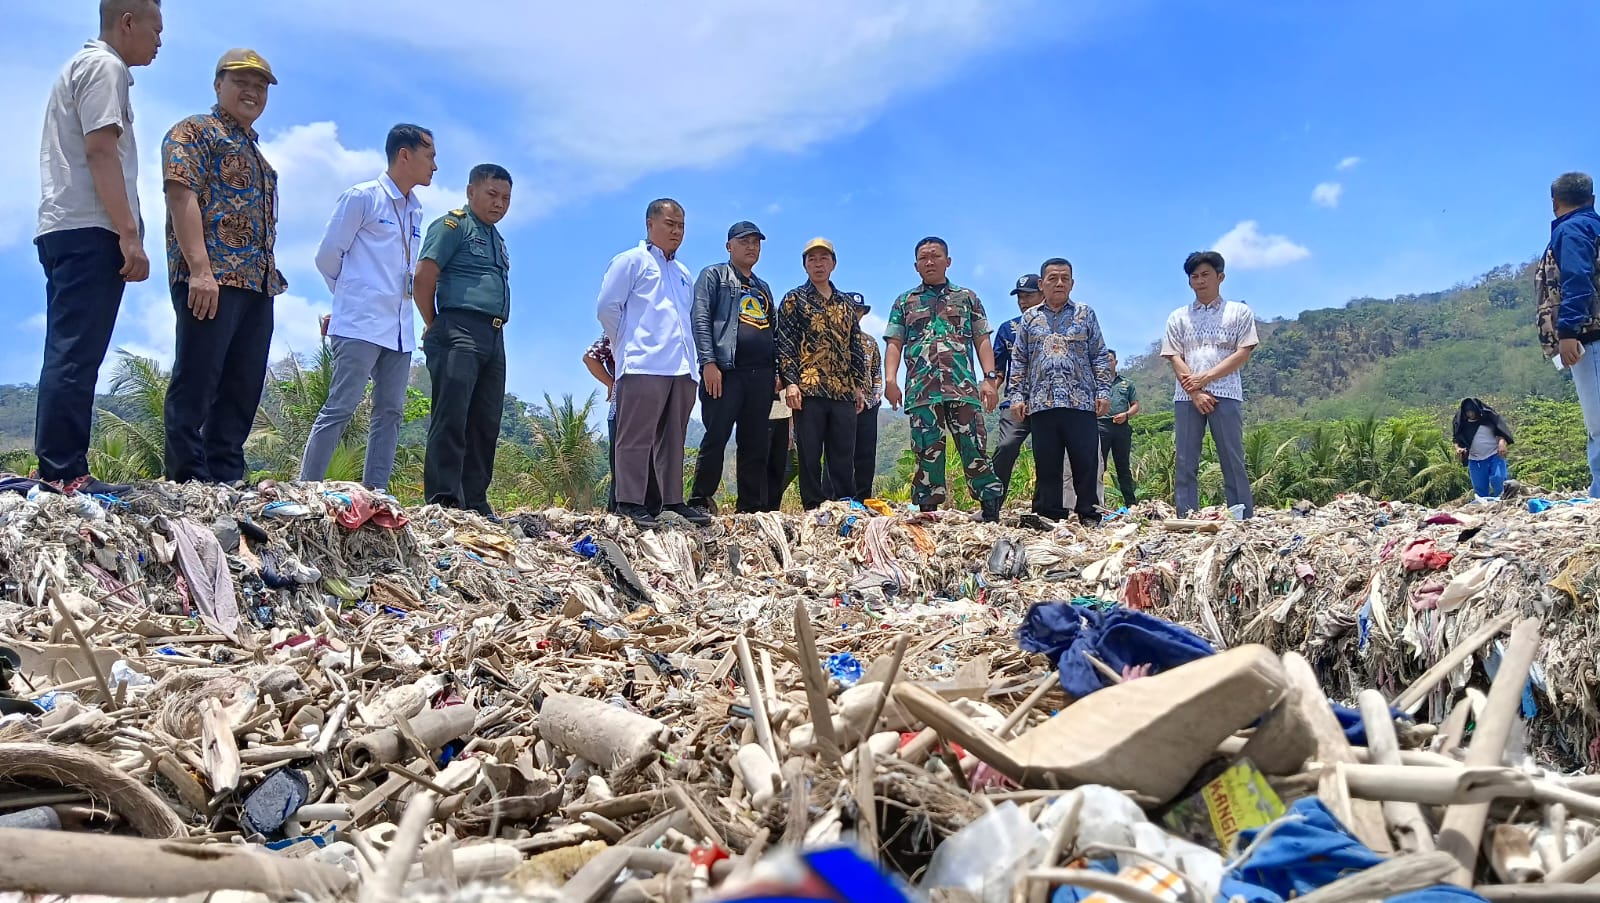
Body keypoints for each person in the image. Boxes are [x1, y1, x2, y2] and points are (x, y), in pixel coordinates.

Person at [34, 0, 163, 495]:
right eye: (155, 28)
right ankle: (63, 472)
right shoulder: (104, 65)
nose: (159, 40)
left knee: (72, 351)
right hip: (89, 229)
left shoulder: (89, 67)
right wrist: (128, 234)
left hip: (71, 228)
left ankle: (63, 465)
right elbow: (100, 149)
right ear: (127, 22)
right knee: (75, 354)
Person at [161, 48, 284, 485]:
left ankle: (226, 474)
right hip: (211, 278)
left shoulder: (257, 153)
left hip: (257, 282)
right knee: (197, 378)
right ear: (218, 85)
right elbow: (181, 194)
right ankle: (188, 478)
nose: (251, 92)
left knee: (242, 384)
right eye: (241, 82)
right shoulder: (194, 132)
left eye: (260, 86)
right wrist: (199, 270)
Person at [299, 124, 435, 490]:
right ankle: (308, 486)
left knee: (390, 412)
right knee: (341, 406)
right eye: (430, 157)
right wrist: (348, 296)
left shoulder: (415, 210)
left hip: (399, 327)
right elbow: (327, 255)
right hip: (359, 323)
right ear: (404, 155)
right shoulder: (363, 197)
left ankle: (376, 492)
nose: (434, 167)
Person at [597, 199, 710, 528]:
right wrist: (625, 345)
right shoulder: (632, 261)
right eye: (670, 224)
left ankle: (671, 500)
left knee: (673, 437)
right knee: (635, 436)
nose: (676, 231)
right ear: (650, 225)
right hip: (644, 362)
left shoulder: (683, 273)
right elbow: (607, 307)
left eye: (681, 226)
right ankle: (630, 502)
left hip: (681, 366)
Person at [415, 164, 513, 517]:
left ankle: (475, 498)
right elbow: (424, 276)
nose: (499, 204)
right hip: (457, 327)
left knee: (486, 420)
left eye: (505, 198)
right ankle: (444, 498)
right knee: (452, 415)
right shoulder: (453, 225)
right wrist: (434, 323)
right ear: (471, 191)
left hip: (494, 332)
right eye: (492, 194)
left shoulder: (497, 240)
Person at [883, 237, 1003, 521]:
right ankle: (928, 511)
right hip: (922, 389)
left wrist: (989, 378)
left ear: (948, 261)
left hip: (961, 387)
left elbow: (982, 338)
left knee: (973, 445)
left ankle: (989, 508)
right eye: (924, 258)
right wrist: (890, 380)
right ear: (916, 266)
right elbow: (894, 342)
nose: (929, 262)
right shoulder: (904, 302)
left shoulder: (967, 297)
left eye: (935, 256)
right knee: (926, 448)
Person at [1005, 258, 1111, 525]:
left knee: (1085, 461)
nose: (1059, 283)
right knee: (1047, 463)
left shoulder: (1085, 314)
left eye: (1065, 278)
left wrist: (1104, 391)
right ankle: (1049, 516)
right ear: (1042, 284)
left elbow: (1098, 354)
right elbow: (1019, 359)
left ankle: (1089, 514)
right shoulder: (1030, 318)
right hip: (1042, 402)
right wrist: (1017, 396)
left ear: (1072, 283)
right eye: (1053, 278)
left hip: (1081, 400)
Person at [1160, 251, 1259, 518]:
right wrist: (1195, 391)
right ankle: (1186, 515)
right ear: (1189, 282)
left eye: (1206, 275)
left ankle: (1241, 515)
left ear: (1220, 277)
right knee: (1185, 459)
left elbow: (1242, 353)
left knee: (1231, 456)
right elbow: (1174, 356)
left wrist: (1205, 379)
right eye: (1195, 276)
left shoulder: (1239, 312)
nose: (1200, 281)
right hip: (1187, 397)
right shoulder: (1178, 317)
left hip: (1226, 393)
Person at [688, 222, 777, 514]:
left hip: (761, 376)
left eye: (756, 242)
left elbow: (772, 330)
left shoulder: (763, 287)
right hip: (725, 372)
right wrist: (708, 363)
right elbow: (700, 319)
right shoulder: (714, 276)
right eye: (744, 241)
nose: (752, 247)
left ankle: (750, 506)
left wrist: (776, 373)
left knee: (755, 442)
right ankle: (701, 499)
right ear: (729, 246)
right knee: (716, 435)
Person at [774, 238, 867, 509]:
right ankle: (813, 506)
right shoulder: (794, 299)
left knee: (842, 453)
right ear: (804, 265)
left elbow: (855, 345)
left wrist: (858, 385)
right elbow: (786, 343)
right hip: (808, 389)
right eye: (812, 259)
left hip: (842, 389)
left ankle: (846, 503)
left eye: (823, 258)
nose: (818, 264)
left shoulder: (845, 303)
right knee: (810, 453)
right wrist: (791, 383)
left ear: (833, 264)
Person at [1536, 172, 1600, 497]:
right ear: (1592, 198)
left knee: (1599, 423)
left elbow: (1578, 280)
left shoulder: (1573, 229)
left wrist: (1568, 331)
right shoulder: (1591, 226)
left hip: (1591, 338)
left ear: (1555, 203)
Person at [584, 334, 661, 514]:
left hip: (648, 407)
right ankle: (623, 510)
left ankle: (650, 510)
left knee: (648, 461)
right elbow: (590, 357)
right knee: (624, 463)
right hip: (624, 407)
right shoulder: (618, 331)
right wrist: (611, 382)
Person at [991, 274, 1044, 499]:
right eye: (1020, 297)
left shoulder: (1056, 325)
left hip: (1048, 401)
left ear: (1043, 293)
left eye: (1028, 295)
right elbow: (998, 368)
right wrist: (991, 386)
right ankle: (992, 504)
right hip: (1015, 401)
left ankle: (1045, 508)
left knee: (1047, 454)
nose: (1023, 301)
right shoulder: (1008, 329)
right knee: (1006, 446)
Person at [847, 294, 883, 499]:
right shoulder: (836, 338)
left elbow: (876, 371)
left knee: (866, 454)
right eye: (852, 309)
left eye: (859, 310)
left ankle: (863, 498)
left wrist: (875, 398)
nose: (855, 314)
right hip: (843, 404)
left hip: (868, 406)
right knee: (840, 453)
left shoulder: (870, 342)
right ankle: (836, 498)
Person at [1098, 349, 1141, 507]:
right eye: (1104, 360)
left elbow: (1136, 405)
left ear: (1115, 362)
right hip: (1100, 426)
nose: (1107, 362)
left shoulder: (1127, 383)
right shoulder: (1095, 383)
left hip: (1121, 427)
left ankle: (1131, 504)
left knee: (1123, 466)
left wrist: (1126, 415)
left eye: (1110, 359)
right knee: (1098, 467)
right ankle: (1098, 504)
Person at [1452, 398, 1513, 499]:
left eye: (1472, 411)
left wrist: (1502, 443)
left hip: (1494, 455)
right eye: (1468, 412)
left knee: (1498, 479)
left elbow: (1502, 431)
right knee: (1480, 489)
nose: (1470, 414)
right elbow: (1456, 439)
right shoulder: (1462, 423)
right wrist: (1458, 449)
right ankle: (1485, 508)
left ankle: (1503, 501)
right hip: (1475, 459)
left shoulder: (1489, 419)